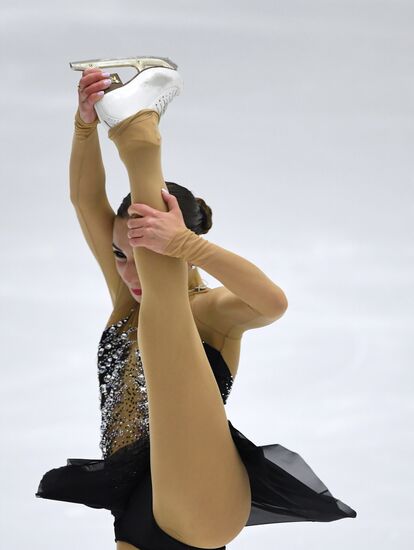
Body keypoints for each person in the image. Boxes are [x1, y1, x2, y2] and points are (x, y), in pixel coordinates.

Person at [35, 58, 357, 550]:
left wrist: (185, 245)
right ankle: (134, 128)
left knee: (164, 312)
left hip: (204, 495)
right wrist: (84, 125)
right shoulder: (127, 299)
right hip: (135, 501)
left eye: (144, 253)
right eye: (120, 254)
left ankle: (139, 135)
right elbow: (86, 201)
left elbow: (272, 304)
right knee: (151, 308)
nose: (128, 270)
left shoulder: (210, 311)